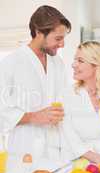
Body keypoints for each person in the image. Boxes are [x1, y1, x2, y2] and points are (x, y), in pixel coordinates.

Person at [0, 5, 71, 159]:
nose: (62, 44)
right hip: (24, 150)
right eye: (58, 38)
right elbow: (1, 110)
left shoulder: (58, 63)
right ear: (38, 32)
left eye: (63, 38)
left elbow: (66, 100)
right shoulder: (11, 63)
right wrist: (33, 117)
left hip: (56, 148)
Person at [49, 41, 100, 163]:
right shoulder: (66, 95)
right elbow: (68, 135)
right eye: (75, 60)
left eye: (80, 61)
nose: (73, 65)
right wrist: (98, 158)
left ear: (96, 65)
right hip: (75, 161)